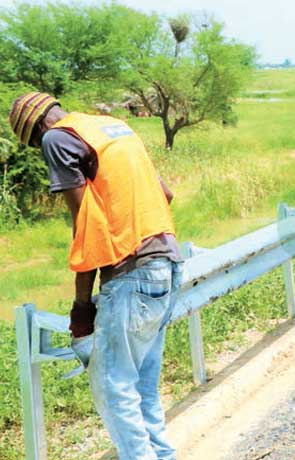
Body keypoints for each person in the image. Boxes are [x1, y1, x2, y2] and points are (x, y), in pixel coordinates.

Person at [8, 92, 183, 460]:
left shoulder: (57, 137)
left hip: (132, 274)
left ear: (38, 129)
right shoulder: (112, 127)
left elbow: (86, 226)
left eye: (35, 143)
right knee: (143, 386)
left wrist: (82, 305)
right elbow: (164, 194)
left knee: (113, 387)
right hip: (167, 263)